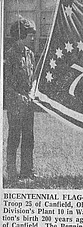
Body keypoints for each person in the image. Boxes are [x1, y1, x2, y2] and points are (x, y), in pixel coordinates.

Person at [5, 17, 38, 181]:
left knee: (29, 138)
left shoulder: (30, 54)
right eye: (30, 34)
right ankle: (11, 172)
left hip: (28, 103)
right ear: (20, 35)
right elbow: (5, 83)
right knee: (14, 137)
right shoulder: (9, 55)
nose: (33, 38)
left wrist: (31, 93)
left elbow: (33, 78)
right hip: (15, 103)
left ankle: (27, 170)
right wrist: (18, 97)